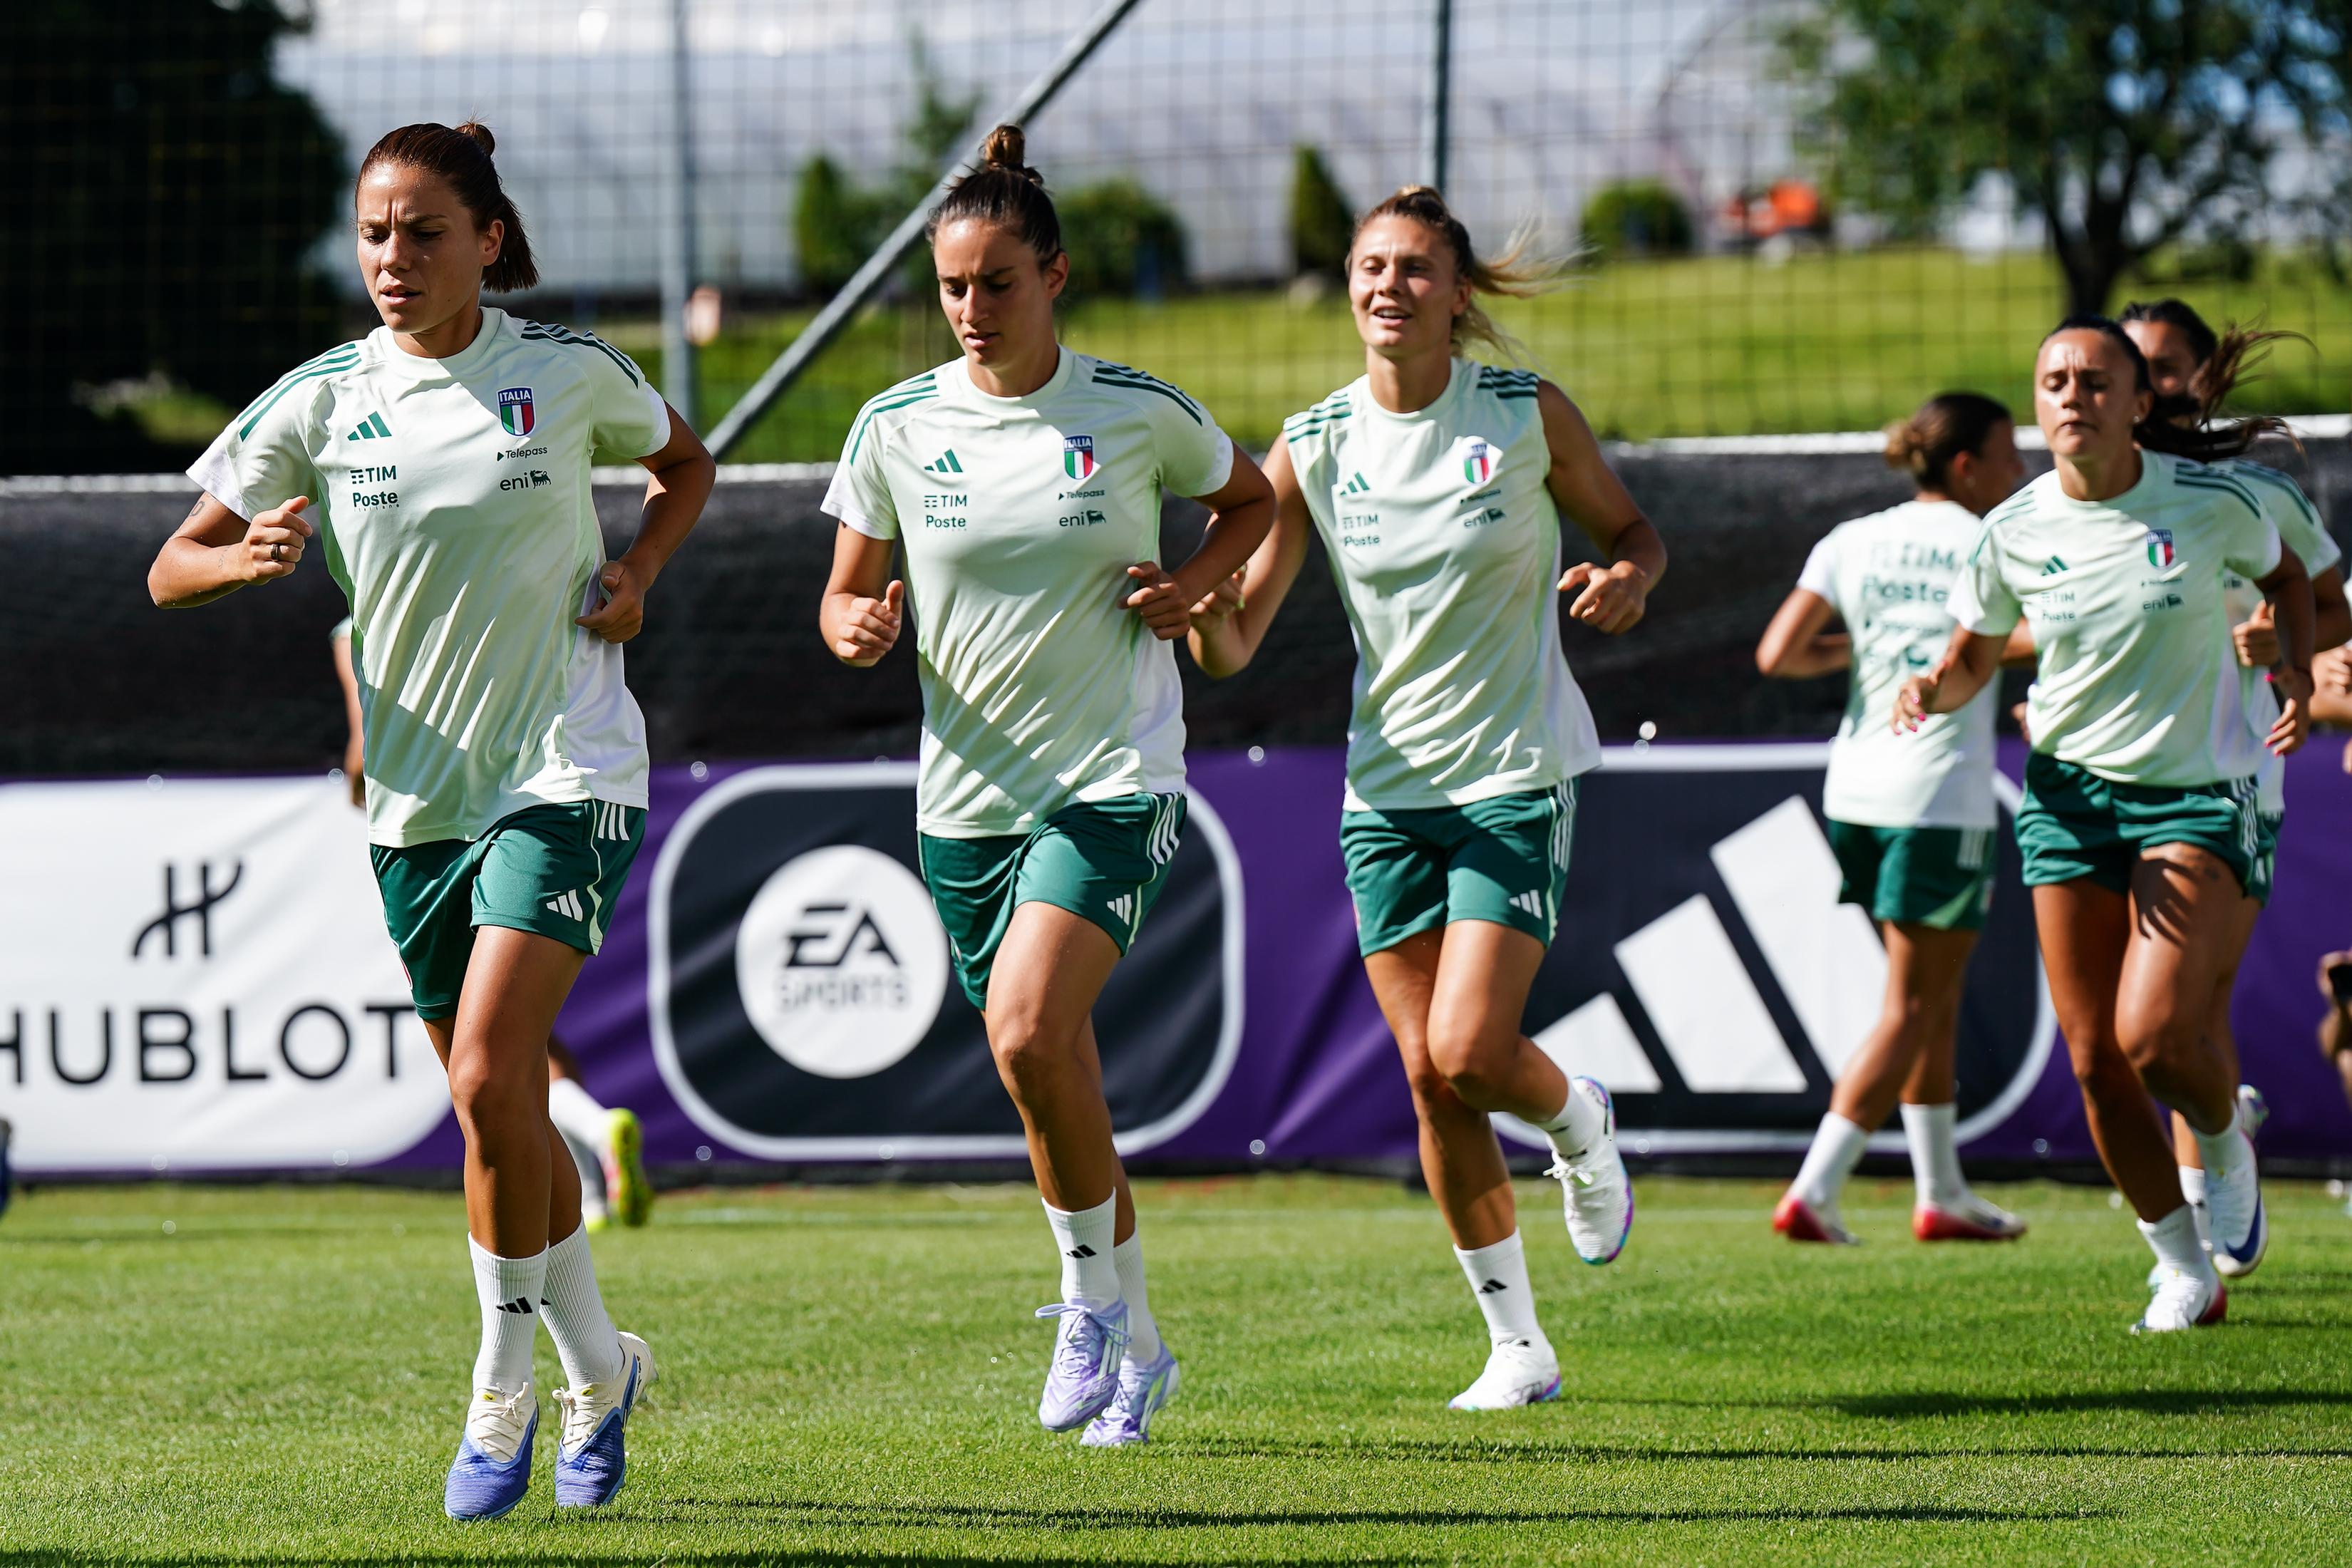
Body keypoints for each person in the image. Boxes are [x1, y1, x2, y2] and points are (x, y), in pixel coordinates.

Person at [149, 122, 713, 1516]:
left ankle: (501, 1391)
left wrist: (639, 567)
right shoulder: (322, 399)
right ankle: (604, 1364)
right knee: (502, 1110)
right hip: (413, 801)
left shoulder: (567, 374)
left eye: (422, 233)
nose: (392, 259)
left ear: (488, 242)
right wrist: (244, 557)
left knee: (481, 1080)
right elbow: (169, 565)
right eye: (375, 234)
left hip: (565, 767)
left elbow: (683, 465)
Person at [818, 125, 1274, 1447]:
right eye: (953, 287)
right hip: (964, 800)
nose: (972, 310)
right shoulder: (895, 427)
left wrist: (1197, 585)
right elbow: (842, 595)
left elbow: (1249, 506)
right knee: (1047, 1071)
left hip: (1113, 777)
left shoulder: (1133, 409)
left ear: (1054, 275)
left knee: (1026, 1032)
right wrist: (855, 626)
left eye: (997, 282)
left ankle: (1082, 1304)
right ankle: (1138, 1345)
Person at [1187, 186, 1659, 1410]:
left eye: (1412, 269)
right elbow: (1238, 643)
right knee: (1430, 1078)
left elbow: (1633, 533)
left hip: (1514, 771)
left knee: (1469, 1048)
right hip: (1385, 793)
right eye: (1367, 267)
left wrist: (1626, 579)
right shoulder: (1316, 442)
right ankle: (1518, 1347)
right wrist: (1194, 619)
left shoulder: (1523, 412)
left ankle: (1577, 1120)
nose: (1387, 286)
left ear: (1458, 294)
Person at [1896, 316, 2314, 1333]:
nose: (2074, 394)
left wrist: (2292, 661)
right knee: (2094, 1060)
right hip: (2070, 802)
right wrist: (1931, 691)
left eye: (2096, 379)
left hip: (2197, 796)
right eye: (2054, 381)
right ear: (2037, 407)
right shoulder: (2014, 528)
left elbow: (2295, 581)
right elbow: (1973, 651)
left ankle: (2221, 1141)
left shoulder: (2218, 505)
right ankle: (2182, 1267)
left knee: (2158, 1035)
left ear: (2138, 403)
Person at [1755, 393, 2028, 1245]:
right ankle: (1817, 1187)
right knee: (1912, 1004)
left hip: (1858, 795)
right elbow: (2028, 637)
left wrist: (1877, 646)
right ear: (1966, 467)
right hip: (1936, 795)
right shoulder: (1996, 539)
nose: (2023, 472)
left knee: (1930, 995)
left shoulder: (1851, 539)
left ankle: (1940, 1190)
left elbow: (1778, 653)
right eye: (2009, 453)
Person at [2116, 299, 2351, 1264]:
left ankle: (2210, 1196)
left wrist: (2280, 640)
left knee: (2185, 1014)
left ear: (2204, 378)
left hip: (2229, 774)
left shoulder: (2259, 495)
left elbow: (2329, 616)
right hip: (2106, 779)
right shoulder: (2090, 496)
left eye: (2166, 366)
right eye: (2131, 366)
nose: (2146, 385)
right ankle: (2216, 1171)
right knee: (2142, 1035)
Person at [335, 619, 655, 1232]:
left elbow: (359, 752)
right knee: (509, 1059)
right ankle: (590, 1176)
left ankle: (590, 1153)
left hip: (457, 812)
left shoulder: (363, 616)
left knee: (490, 1067)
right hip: (441, 820)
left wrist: (363, 792)